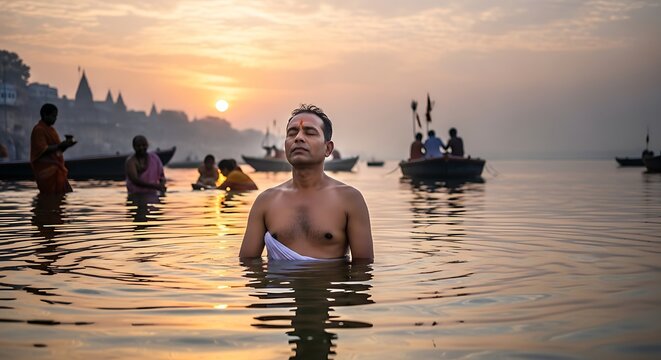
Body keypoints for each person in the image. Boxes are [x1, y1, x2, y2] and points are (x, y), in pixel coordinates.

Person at [240, 104, 373, 261]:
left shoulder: (350, 199)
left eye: (310, 133)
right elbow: (248, 265)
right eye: (292, 133)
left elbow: (363, 270)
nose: (298, 138)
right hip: (280, 284)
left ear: (328, 149)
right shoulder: (266, 201)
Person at [30, 103, 77, 194]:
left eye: (56, 116)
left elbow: (58, 151)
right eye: (53, 116)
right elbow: (42, 150)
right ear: (45, 115)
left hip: (57, 168)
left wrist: (66, 145)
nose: (55, 119)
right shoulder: (39, 129)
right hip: (46, 170)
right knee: (50, 196)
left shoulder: (52, 130)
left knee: (64, 194)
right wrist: (60, 146)